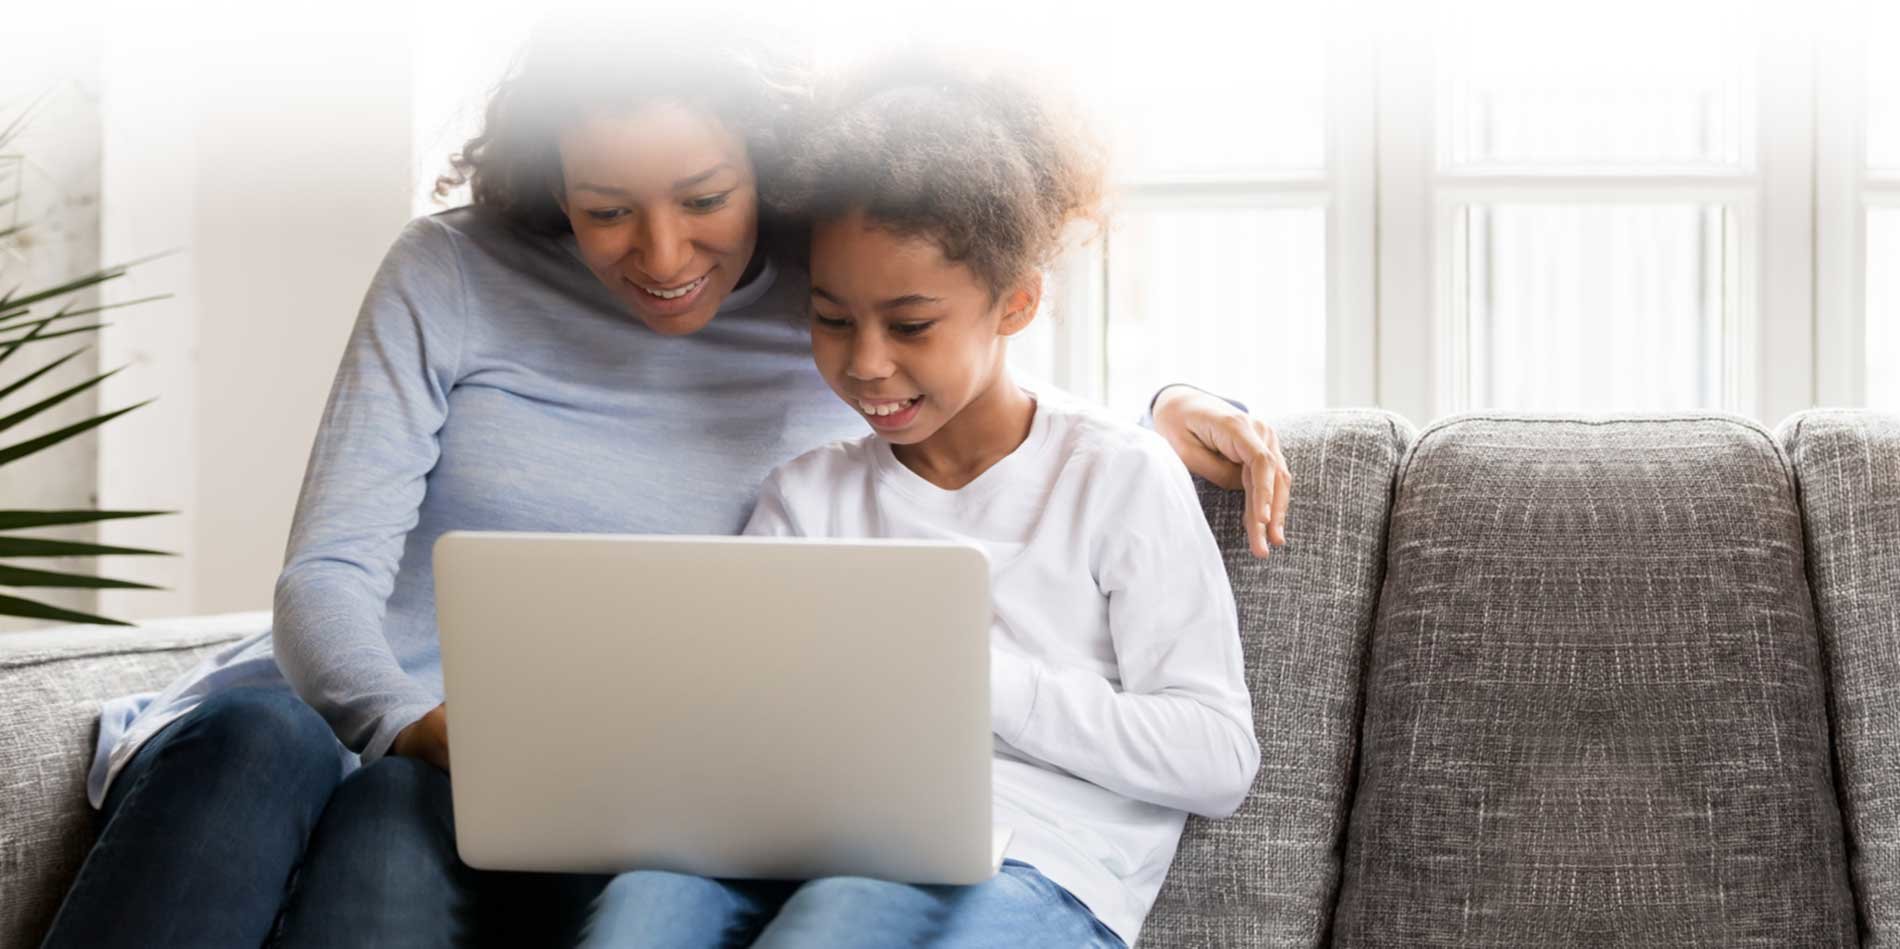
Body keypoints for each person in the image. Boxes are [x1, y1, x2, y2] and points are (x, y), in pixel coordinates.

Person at [40, 16, 1290, 949]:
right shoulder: (453, 272)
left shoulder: (822, 294)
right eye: (604, 212)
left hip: (621, 775)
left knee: (388, 837)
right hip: (397, 719)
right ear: (552, 190)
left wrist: (1172, 404)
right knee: (256, 736)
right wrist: (407, 726)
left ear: (769, 172)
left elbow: (969, 363)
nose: (663, 255)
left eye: (705, 199)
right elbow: (325, 574)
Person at [576, 51, 1260, 949]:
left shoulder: (1117, 475)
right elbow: (743, 717)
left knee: (841, 917)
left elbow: (1216, 757)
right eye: (831, 318)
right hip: (811, 835)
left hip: (1033, 865)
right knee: (646, 901)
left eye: (910, 325)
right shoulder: (808, 496)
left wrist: (975, 680)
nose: (864, 362)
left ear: (1016, 305)